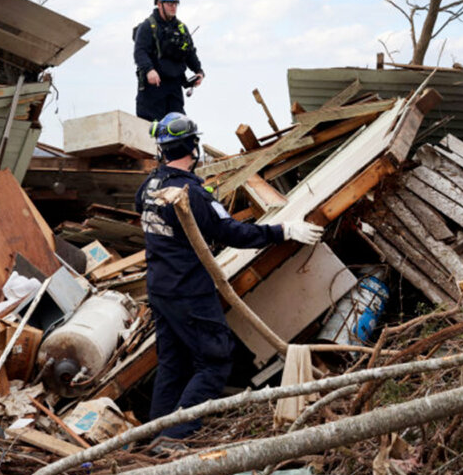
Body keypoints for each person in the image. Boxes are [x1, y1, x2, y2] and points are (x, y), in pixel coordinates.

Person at [135, 112, 323, 440]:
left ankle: (153, 438)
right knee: (214, 362)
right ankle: (174, 438)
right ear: (192, 147)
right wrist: (284, 230)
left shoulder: (150, 186)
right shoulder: (191, 194)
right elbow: (231, 233)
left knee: (173, 364)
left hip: (161, 290)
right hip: (189, 292)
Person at [133, 0, 204, 121]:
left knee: (179, 128)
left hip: (174, 87)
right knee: (151, 129)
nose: (173, 7)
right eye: (170, 4)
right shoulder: (147, 26)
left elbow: (190, 52)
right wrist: (149, 70)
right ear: (159, 4)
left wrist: (198, 71)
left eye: (175, 4)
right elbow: (140, 52)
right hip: (153, 88)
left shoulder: (181, 28)